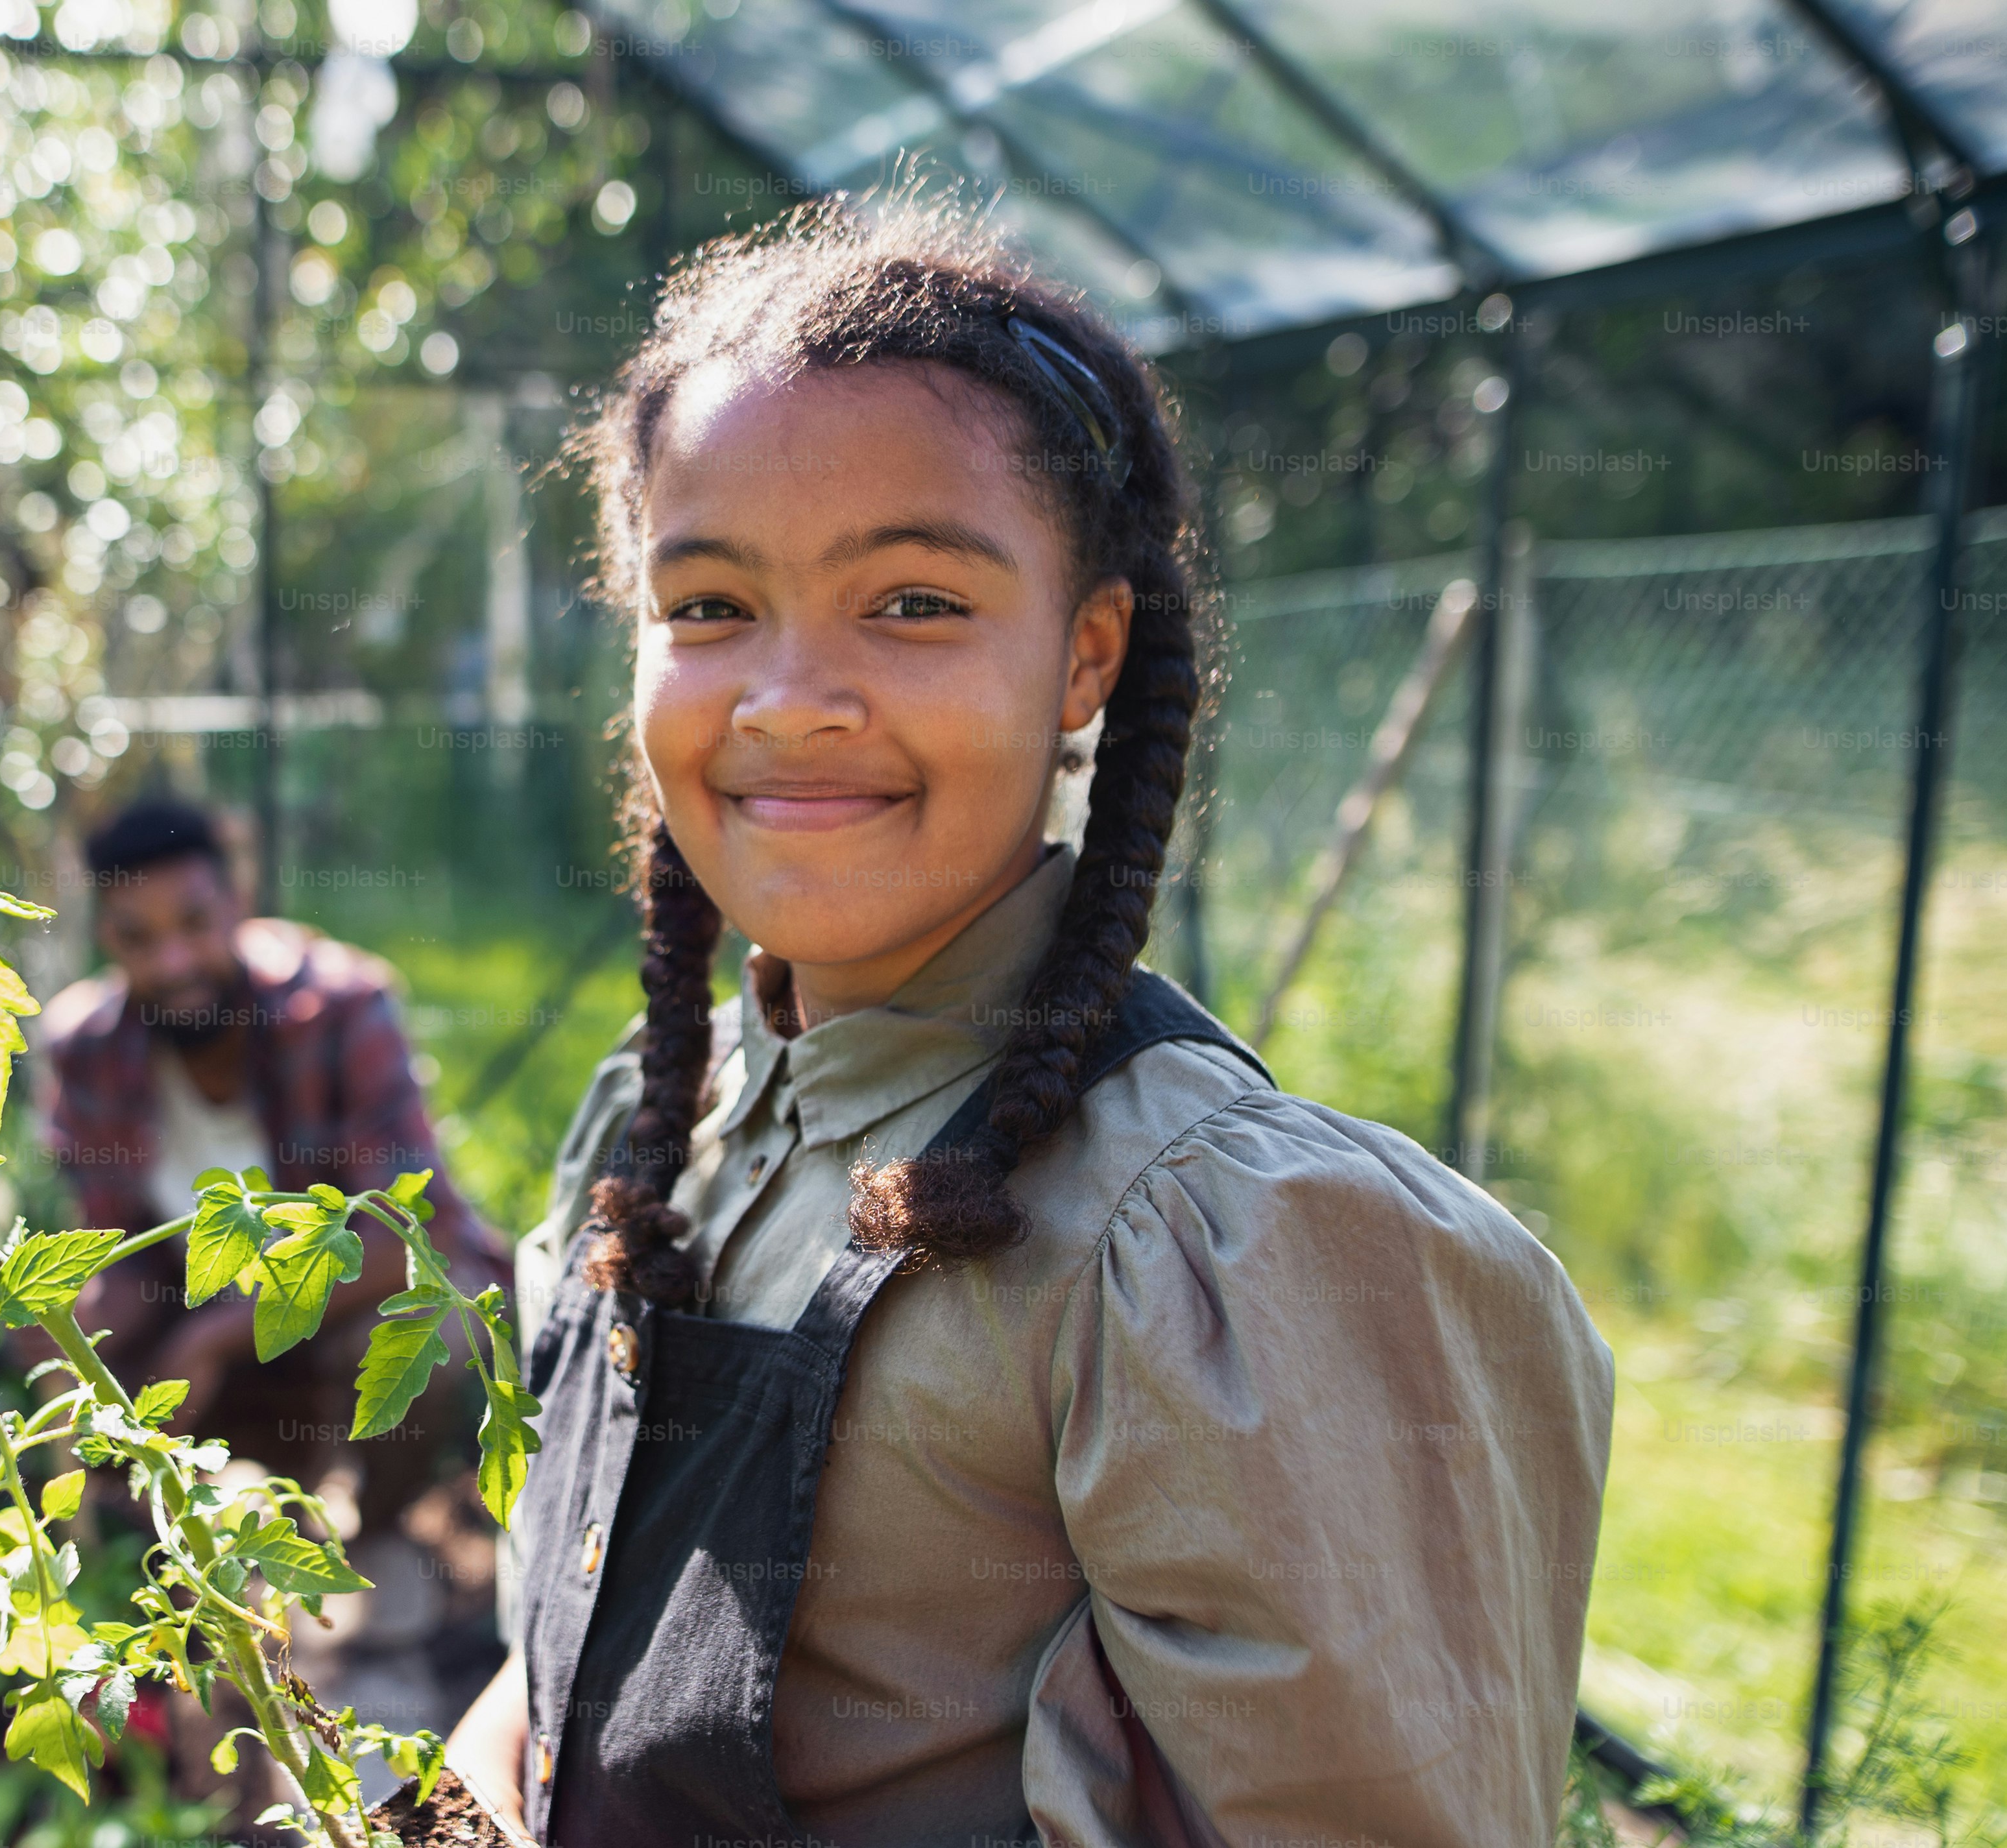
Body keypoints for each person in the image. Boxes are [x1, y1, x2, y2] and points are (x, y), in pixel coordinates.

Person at [440, 196, 1615, 1848]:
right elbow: (563, 1677)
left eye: (913, 602)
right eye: (709, 606)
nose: (789, 697)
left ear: (1086, 656)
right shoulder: (658, 1124)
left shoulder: (1216, 1248)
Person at [35, 797, 504, 1513]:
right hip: (203, 1330)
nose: (173, 961)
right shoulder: (90, 1048)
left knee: (428, 1322)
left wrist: (216, 1338)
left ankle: (375, 1523)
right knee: (53, 1334)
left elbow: (418, 1233)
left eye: (194, 923)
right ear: (106, 936)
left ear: (239, 902)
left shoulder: (338, 1007)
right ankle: (145, 1538)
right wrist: (76, 1333)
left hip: (331, 1318)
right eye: (138, 936)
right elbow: (117, 1247)